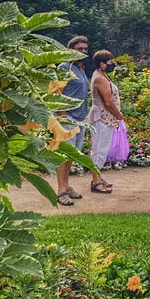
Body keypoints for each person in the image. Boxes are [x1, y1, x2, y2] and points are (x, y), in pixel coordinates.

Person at [55, 36, 90, 206]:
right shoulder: (64, 67)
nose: (83, 51)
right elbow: (57, 92)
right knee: (63, 155)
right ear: (71, 50)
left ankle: (67, 186)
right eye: (80, 49)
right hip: (67, 117)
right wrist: (62, 117)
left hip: (80, 118)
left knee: (71, 155)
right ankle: (61, 191)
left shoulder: (80, 68)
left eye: (85, 48)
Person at [88, 50, 125, 194]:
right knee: (99, 150)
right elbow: (108, 102)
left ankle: (97, 177)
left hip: (104, 117)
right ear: (102, 64)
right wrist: (119, 116)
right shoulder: (100, 79)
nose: (112, 64)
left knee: (100, 148)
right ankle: (96, 181)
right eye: (110, 62)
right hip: (102, 118)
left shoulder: (102, 76)